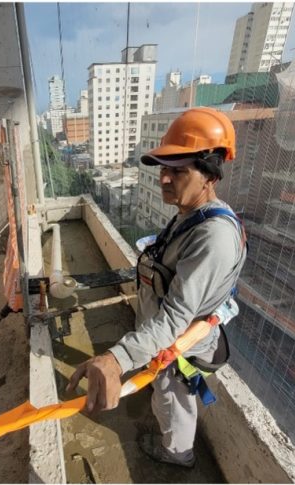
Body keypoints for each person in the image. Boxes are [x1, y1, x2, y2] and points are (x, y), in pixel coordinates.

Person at [67, 107, 247, 468]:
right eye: (164, 168)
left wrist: (116, 359)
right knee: (165, 395)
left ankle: (178, 454)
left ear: (210, 175)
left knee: (171, 399)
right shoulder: (192, 214)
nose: (164, 179)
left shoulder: (214, 237)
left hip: (178, 346)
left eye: (178, 171)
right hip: (160, 334)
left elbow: (177, 317)